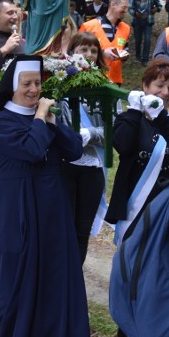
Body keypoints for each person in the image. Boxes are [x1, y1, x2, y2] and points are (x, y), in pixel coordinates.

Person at [0, 55, 91, 337]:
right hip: (16, 209)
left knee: (50, 274)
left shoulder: (44, 118)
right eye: (27, 83)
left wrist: (52, 122)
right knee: (11, 275)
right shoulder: (3, 121)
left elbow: (76, 150)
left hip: (51, 207)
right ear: (13, 86)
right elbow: (32, 150)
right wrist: (40, 117)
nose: (34, 89)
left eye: (37, 83)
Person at [107, 58, 169, 337]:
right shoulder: (130, 117)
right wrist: (134, 111)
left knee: (151, 277)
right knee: (131, 275)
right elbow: (123, 145)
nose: (166, 92)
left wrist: (163, 120)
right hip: (134, 207)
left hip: (163, 211)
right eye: (159, 85)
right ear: (145, 86)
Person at [57, 32, 109, 263]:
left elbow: (113, 130)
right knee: (60, 230)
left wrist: (91, 134)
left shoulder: (106, 88)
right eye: (83, 49)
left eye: (93, 51)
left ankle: (74, 287)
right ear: (72, 52)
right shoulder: (57, 82)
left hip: (92, 166)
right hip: (63, 166)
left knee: (81, 232)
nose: (88, 55)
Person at [80, 0, 130, 85]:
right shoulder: (89, 26)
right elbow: (77, 53)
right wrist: (102, 53)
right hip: (91, 78)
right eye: (123, 7)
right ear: (113, 5)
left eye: (127, 8)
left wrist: (124, 55)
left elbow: (126, 50)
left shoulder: (126, 28)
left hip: (115, 80)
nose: (125, 11)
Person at [129, 0, 162, 64]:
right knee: (138, 40)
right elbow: (130, 8)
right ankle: (137, 56)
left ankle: (145, 59)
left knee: (147, 40)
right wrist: (135, 13)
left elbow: (160, 5)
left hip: (148, 20)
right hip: (137, 21)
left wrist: (156, 9)